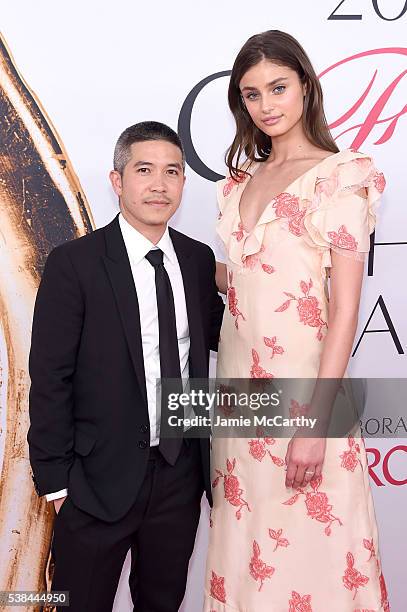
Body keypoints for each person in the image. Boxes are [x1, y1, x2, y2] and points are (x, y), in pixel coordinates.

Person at [204, 31, 389, 611]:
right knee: (247, 554)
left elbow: (343, 315)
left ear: (306, 86)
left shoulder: (342, 176)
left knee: (316, 558)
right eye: (252, 94)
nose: (266, 105)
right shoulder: (236, 185)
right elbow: (244, 279)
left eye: (278, 87)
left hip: (307, 402)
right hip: (237, 405)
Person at [27, 121, 224, 612]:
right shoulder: (74, 263)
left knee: (162, 603)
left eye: (172, 172)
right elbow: (50, 375)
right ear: (118, 181)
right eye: (144, 170)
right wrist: (56, 482)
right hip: (94, 481)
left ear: (183, 182)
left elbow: (233, 339)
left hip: (179, 478)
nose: (159, 184)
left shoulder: (198, 262)